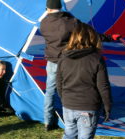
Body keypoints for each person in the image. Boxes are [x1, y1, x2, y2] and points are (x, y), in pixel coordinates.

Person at [40, 0, 119, 131]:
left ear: (47, 9)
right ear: (60, 7)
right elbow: (90, 35)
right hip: (69, 62)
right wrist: (110, 37)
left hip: (52, 62)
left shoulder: (44, 23)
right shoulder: (70, 22)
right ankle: (80, 114)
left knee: (50, 91)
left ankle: (48, 120)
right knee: (78, 87)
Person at [56, 22, 112, 139]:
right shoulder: (96, 58)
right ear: (92, 38)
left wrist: (65, 99)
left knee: (69, 136)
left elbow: (59, 83)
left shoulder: (64, 56)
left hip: (68, 105)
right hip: (88, 107)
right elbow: (103, 86)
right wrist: (107, 106)